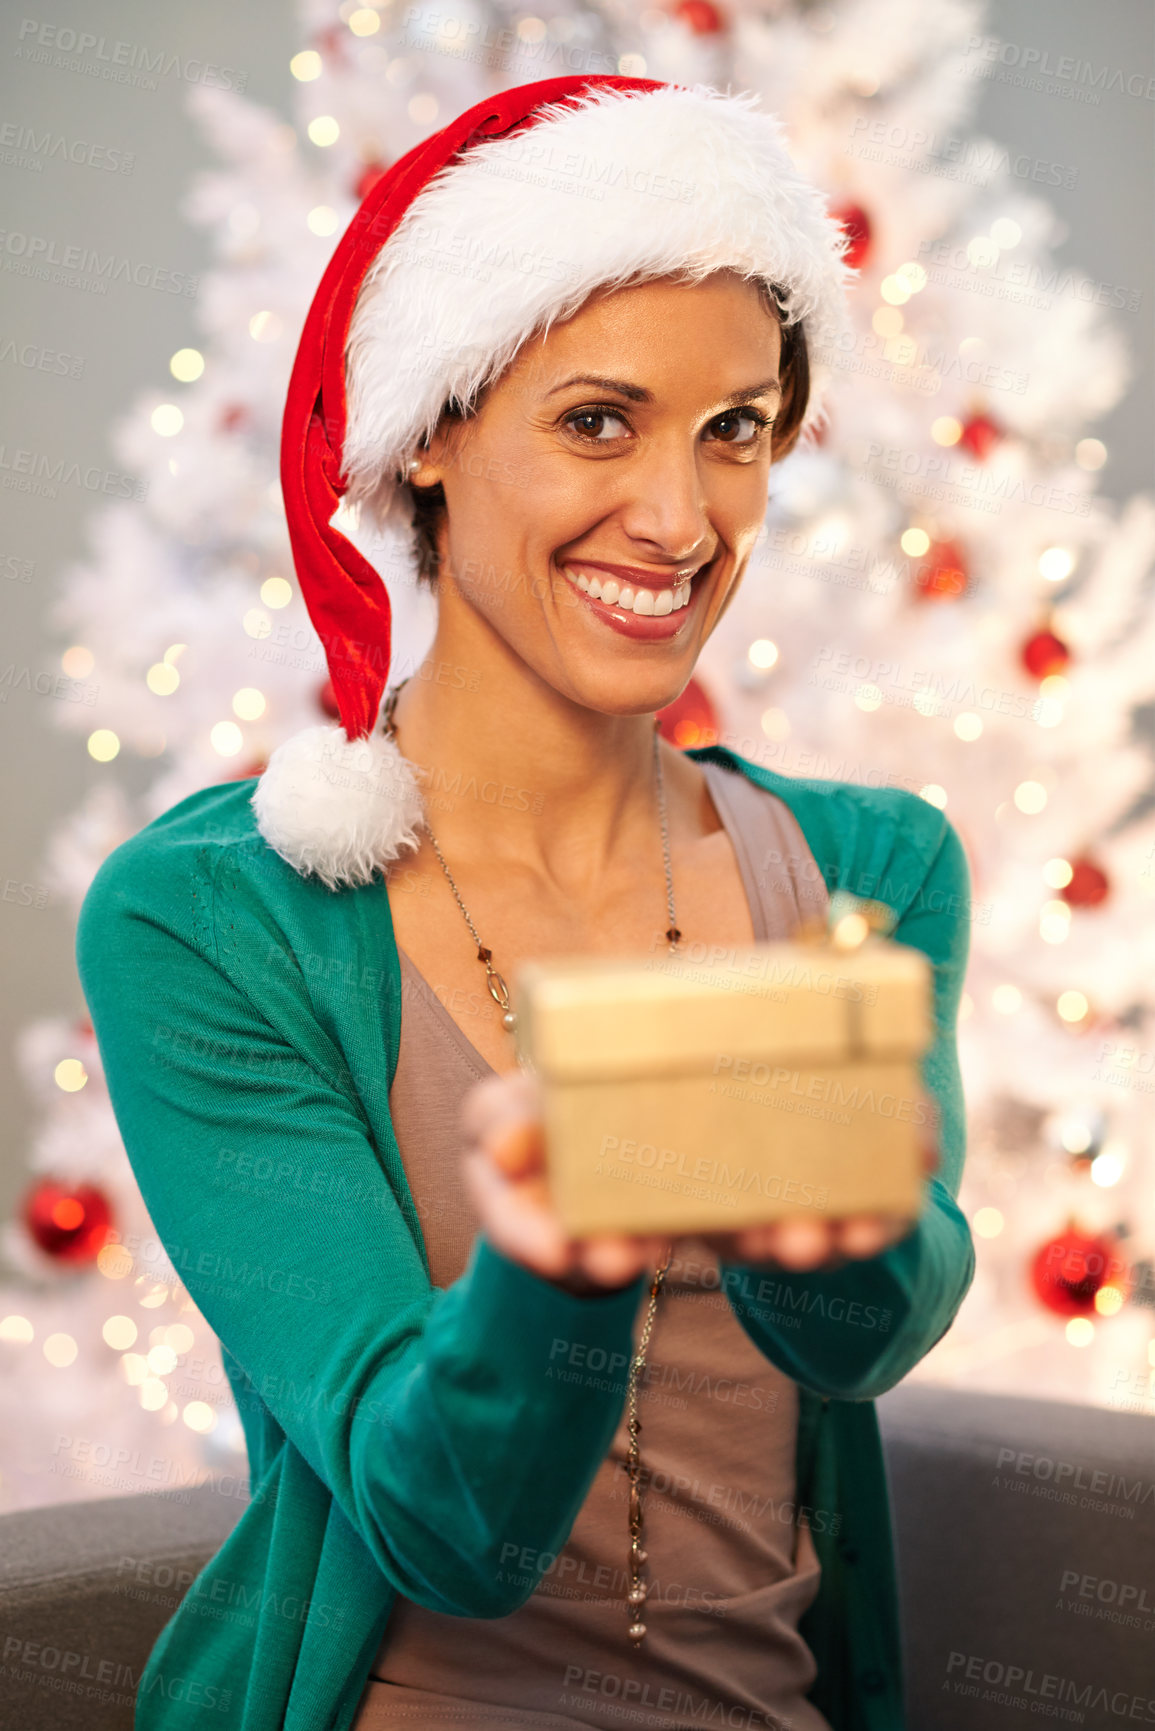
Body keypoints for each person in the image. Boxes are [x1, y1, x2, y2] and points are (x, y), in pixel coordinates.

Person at [75, 74, 975, 1731]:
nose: (680, 519)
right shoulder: (207, 922)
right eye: (595, 421)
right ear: (432, 425)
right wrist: (561, 1258)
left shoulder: (871, 869)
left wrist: (839, 1229)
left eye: (737, 434)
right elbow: (447, 1528)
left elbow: (866, 1338)